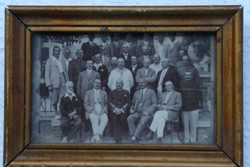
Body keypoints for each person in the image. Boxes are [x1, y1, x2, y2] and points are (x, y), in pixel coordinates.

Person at [177, 55, 202, 143]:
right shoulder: (181, 84)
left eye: (189, 75)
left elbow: (200, 95)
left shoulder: (196, 84)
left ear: (192, 76)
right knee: (186, 126)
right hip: (184, 107)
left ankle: (193, 140)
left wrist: (200, 107)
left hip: (194, 107)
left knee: (193, 126)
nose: (188, 77)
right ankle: (186, 140)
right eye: (186, 75)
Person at [127, 78, 157, 143]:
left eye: (142, 82)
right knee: (129, 118)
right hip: (137, 112)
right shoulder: (136, 93)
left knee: (143, 120)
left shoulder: (151, 92)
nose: (141, 84)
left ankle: (134, 137)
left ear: (146, 83)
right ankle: (134, 135)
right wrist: (131, 109)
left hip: (147, 114)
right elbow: (133, 103)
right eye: (140, 83)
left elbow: (154, 104)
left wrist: (148, 111)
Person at [45, 46, 66, 115]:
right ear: (53, 52)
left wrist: (67, 81)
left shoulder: (62, 60)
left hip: (62, 79)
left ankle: (61, 112)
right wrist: (48, 84)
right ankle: (56, 113)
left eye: (58, 51)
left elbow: (65, 71)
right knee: (54, 98)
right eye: (56, 51)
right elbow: (47, 73)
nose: (57, 52)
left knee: (63, 97)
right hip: (54, 81)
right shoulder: (50, 61)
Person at [108, 79, 130, 143]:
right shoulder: (112, 92)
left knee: (122, 118)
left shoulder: (126, 92)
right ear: (115, 84)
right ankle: (116, 139)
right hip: (114, 111)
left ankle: (121, 137)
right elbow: (109, 102)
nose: (118, 84)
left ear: (122, 84)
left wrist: (122, 110)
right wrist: (115, 109)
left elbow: (128, 103)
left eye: (120, 83)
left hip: (123, 111)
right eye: (117, 83)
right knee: (114, 119)